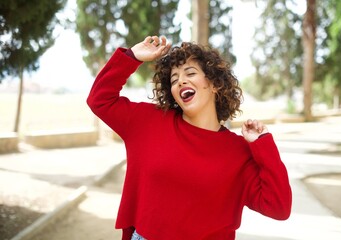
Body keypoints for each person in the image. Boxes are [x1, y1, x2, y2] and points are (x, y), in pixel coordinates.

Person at [87, 36, 292, 240]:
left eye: (190, 73)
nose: (181, 81)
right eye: (174, 80)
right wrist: (132, 56)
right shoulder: (149, 122)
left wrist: (263, 145)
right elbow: (100, 100)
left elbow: (278, 207)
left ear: (215, 85)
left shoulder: (237, 151)